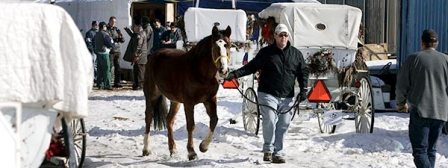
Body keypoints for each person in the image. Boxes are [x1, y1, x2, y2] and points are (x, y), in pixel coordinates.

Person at [225, 24, 309, 164]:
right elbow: (251, 67)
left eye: (285, 35)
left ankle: (278, 152)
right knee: (269, 120)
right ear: (275, 36)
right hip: (268, 93)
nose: (283, 37)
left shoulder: (296, 54)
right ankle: (268, 150)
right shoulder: (266, 53)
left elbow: (303, 72)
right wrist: (234, 74)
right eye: (280, 35)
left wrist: (303, 89)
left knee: (284, 124)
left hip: (287, 96)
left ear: (288, 37)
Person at [396, 29, 448, 168]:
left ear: (422, 42)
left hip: (420, 111)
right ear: (436, 43)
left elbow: (401, 84)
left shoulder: (414, 58)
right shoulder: (446, 60)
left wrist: (401, 104)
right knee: (431, 150)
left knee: (419, 151)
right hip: (441, 113)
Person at [124, 18, 147, 90]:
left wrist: (136, 55)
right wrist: (128, 30)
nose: (133, 28)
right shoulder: (140, 33)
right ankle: (137, 84)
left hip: (139, 56)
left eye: (134, 26)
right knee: (138, 70)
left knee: (139, 71)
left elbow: (138, 46)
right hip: (141, 56)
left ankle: (139, 85)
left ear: (138, 26)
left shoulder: (140, 34)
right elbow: (133, 36)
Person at [94, 21, 114, 90]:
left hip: (98, 53)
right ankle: (107, 85)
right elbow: (109, 43)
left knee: (99, 70)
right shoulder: (105, 34)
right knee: (106, 70)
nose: (106, 27)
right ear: (103, 27)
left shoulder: (96, 34)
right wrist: (112, 45)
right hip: (104, 53)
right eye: (105, 26)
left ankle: (99, 84)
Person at [107, 16, 125, 88]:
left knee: (118, 67)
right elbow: (108, 38)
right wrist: (115, 38)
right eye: (112, 21)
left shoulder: (117, 29)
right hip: (110, 51)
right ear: (109, 21)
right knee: (110, 67)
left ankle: (117, 83)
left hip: (117, 50)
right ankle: (108, 82)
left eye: (115, 22)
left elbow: (122, 40)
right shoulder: (106, 29)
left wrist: (121, 38)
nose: (113, 23)